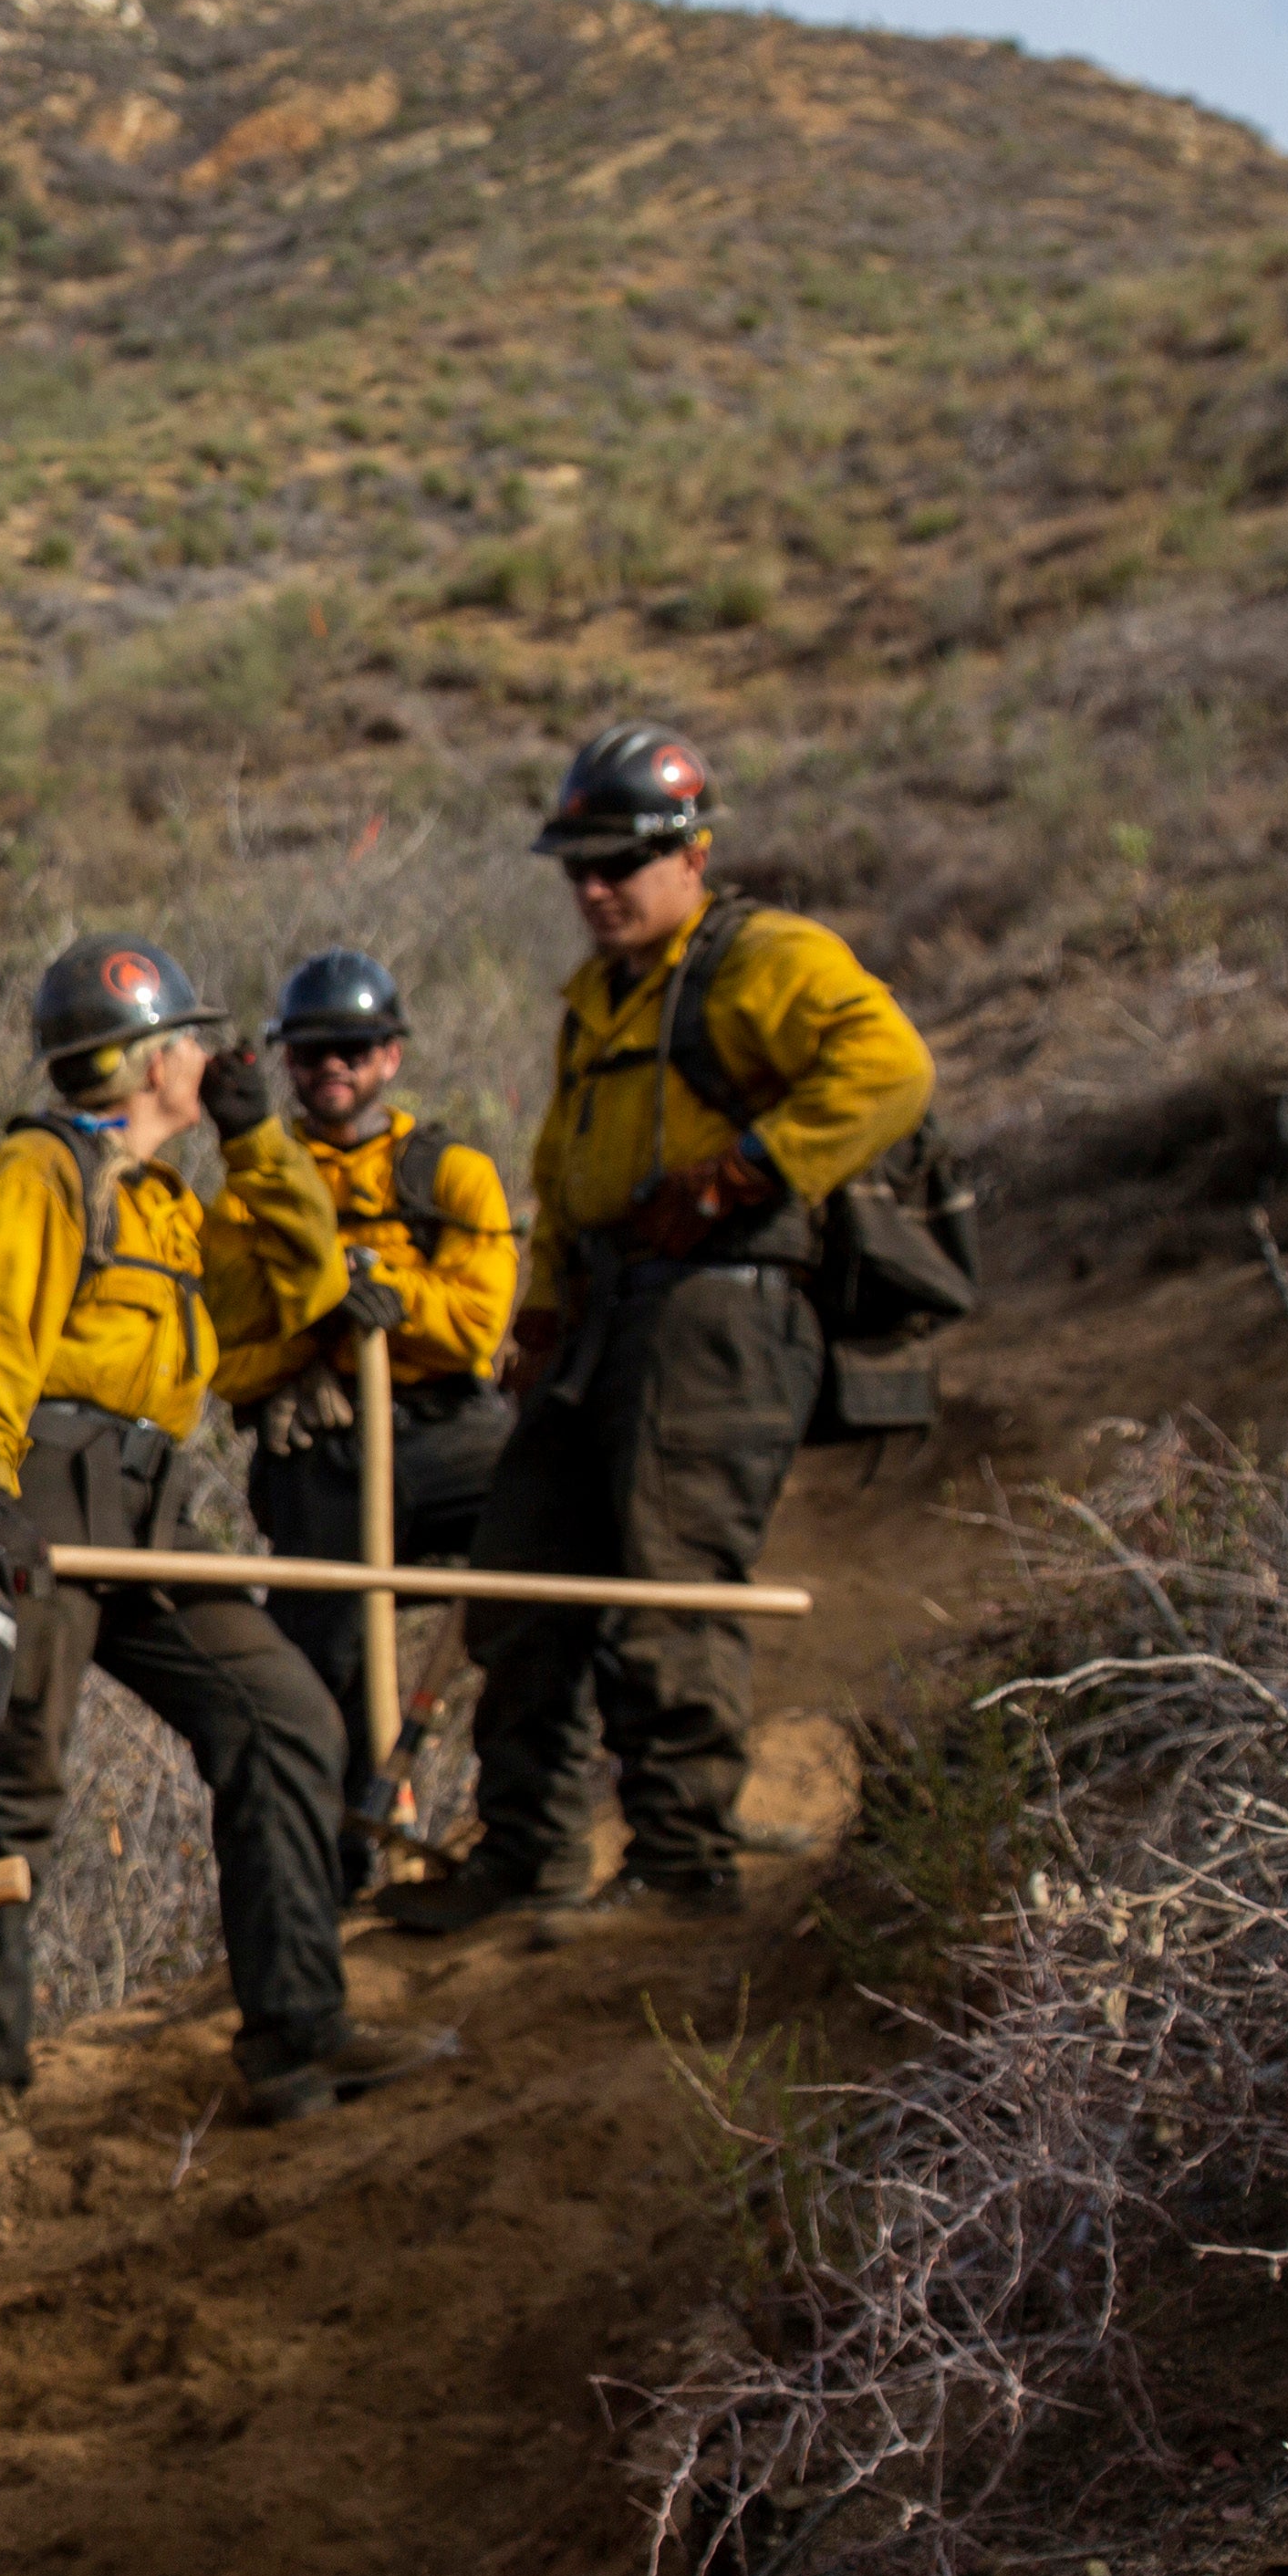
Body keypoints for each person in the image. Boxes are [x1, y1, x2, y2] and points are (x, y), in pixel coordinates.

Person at [387, 725, 932, 1929]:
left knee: (667, 1578)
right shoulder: (603, 992)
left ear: (690, 851)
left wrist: (748, 1172)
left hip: (719, 1306)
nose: (592, 889)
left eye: (617, 863)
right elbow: (562, 1164)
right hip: (600, 1307)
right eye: (576, 866)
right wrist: (536, 1315)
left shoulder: (760, 957)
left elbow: (889, 1066)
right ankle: (521, 1851)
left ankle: (678, 1859)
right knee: (521, 1577)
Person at [0, 936, 437, 2146]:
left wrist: (259, 1144)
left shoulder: (166, 1198)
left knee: (286, 1718)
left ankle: (295, 2033)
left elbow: (301, 1289)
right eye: (192, 1042)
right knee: (13, 1776)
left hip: (150, 1503)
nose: (212, 1058)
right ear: (152, 1061)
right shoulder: (33, 1175)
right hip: (40, 1493)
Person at [207, 952, 519, 1745]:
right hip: (328, 1444)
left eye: (354, 1047)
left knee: (549, 1548)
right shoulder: (255, 1192)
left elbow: (477, 1324)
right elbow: (224, 1353)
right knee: (316, 1665)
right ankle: (341, 1842)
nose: (333, 1066)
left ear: (392, 1055)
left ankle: (525, 1821)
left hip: (451, 1430)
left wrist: (393, 1302)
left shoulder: (453, 1174)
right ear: (287, 1063)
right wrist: (319, 1329)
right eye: (312, 1052)